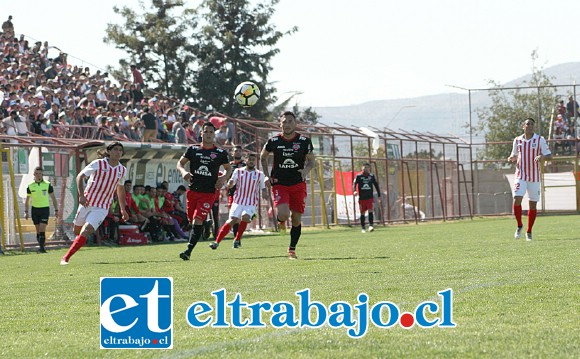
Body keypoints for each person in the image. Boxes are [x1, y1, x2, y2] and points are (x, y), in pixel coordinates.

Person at [60, 142, 129, 265]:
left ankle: (66, 258)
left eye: (120, 150)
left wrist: (123, 209)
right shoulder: (99, 163)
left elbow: (120, 188)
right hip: (87, 202)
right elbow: (80, 177)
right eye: (115, 149)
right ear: (109, 151)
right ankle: (75, 245)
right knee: (77, 231)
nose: (118, 152)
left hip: (102, 207)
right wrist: (81, 195)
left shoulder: (122, 170)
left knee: (87, 231)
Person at [260, 111, 315, 259]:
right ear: (280, 124)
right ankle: (281, 221)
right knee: (284, 213)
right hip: (280, 183)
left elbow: (312, 161)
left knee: (296, 218)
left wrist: (305, 171)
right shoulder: (274, 141)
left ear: (295, 124)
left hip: (298, 184)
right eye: (284, 122)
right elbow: (263, 157)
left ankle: (292, 249)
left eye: (290, 121)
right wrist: (266, 175)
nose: (287, 124)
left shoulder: (304, 141)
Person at [177, 122, 231, 260]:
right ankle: (207, 225)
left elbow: (228, 169)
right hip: (193, 191)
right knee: (192, 220)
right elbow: (180, 163)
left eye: (211, 132)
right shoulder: (193, 150)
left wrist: (223, 178)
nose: (208, 134)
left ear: (214, 134)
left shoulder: (220, 153)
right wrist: (183, 172)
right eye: (205, 132)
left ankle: (188, 251)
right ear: (201, 133)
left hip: (209, 193)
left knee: (197, 219)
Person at [209, 153, 267, 249]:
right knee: (232, 220)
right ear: (246, 160)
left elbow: (263, 187)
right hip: (238, 201)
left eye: (253, 159)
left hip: (251, 202)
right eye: (250, 159)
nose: (252, 161)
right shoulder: (238, 171)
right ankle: (216, 242)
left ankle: (237, 239)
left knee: (245, 217)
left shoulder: (259, 174)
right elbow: (231, 182)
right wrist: (230, 184)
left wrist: (265, 193)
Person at [507, 118, 552, 241]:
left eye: (532, 124)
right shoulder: (517, 140)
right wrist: (512, 157)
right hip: (520, 175)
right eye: (528, 124)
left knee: (532, 204)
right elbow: (514, 154)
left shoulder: (539, 139)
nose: (530, 126)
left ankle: (529, 231)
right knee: (517, 199)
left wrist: (541, 156)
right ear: (523, 126)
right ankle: (519, 225)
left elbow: (549, 155)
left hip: (534, 177)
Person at [24, 167, 59, 253]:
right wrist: (26, 211)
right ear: (34, 174)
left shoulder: (47, 184)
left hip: (44, 209)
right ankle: (41, 246)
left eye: (40, 173)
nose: (38, 175)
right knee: (38, 230)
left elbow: (53, 198)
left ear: (42, 174)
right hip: (35, 210)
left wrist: (56, 210)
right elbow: (27, 200)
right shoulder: (30, 186)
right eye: (36, 173)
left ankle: (42, 249)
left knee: (42, 229)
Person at [353, 163, 381, 232]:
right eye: (365, 167)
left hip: (370, 198)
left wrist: (379, 195)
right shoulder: (359, 176)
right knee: (362, 212)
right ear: (362, 168)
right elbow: (354, 184)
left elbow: (376, 185)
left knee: (370, 210)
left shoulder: (371, 176)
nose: (366, 169)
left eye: (367, 167)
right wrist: (354, 191)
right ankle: (363, 228)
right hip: (362, 198)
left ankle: (371, 226)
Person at [227, 145, 246, 237]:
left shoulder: (245, 165)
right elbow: (226, 179)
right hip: (232, 194)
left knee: (242, 216)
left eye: (239, 151)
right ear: (232, 153)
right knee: (234, 216)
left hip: (244, 195)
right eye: (235, 151)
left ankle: (238, 236)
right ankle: (236, 238)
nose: (237, 152)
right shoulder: (229, 165)